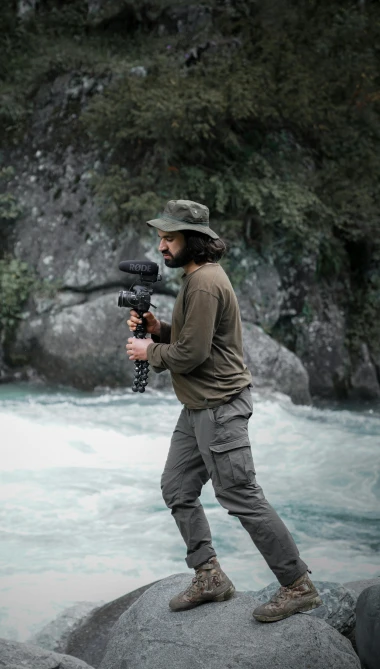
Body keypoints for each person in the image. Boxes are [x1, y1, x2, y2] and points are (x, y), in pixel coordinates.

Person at [125, 199, 322, 622]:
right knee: (177, 486)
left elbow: (192, 355)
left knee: (240, 496)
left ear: (193, 241)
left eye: (170, 237)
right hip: (198, 406)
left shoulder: (205, 282)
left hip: (219, 408)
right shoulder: (195, 280)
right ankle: (209, 575)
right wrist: (160, 330)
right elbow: (198, 337)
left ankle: (298, 585)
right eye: (160, 237)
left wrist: (149, 350)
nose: (161, 246)